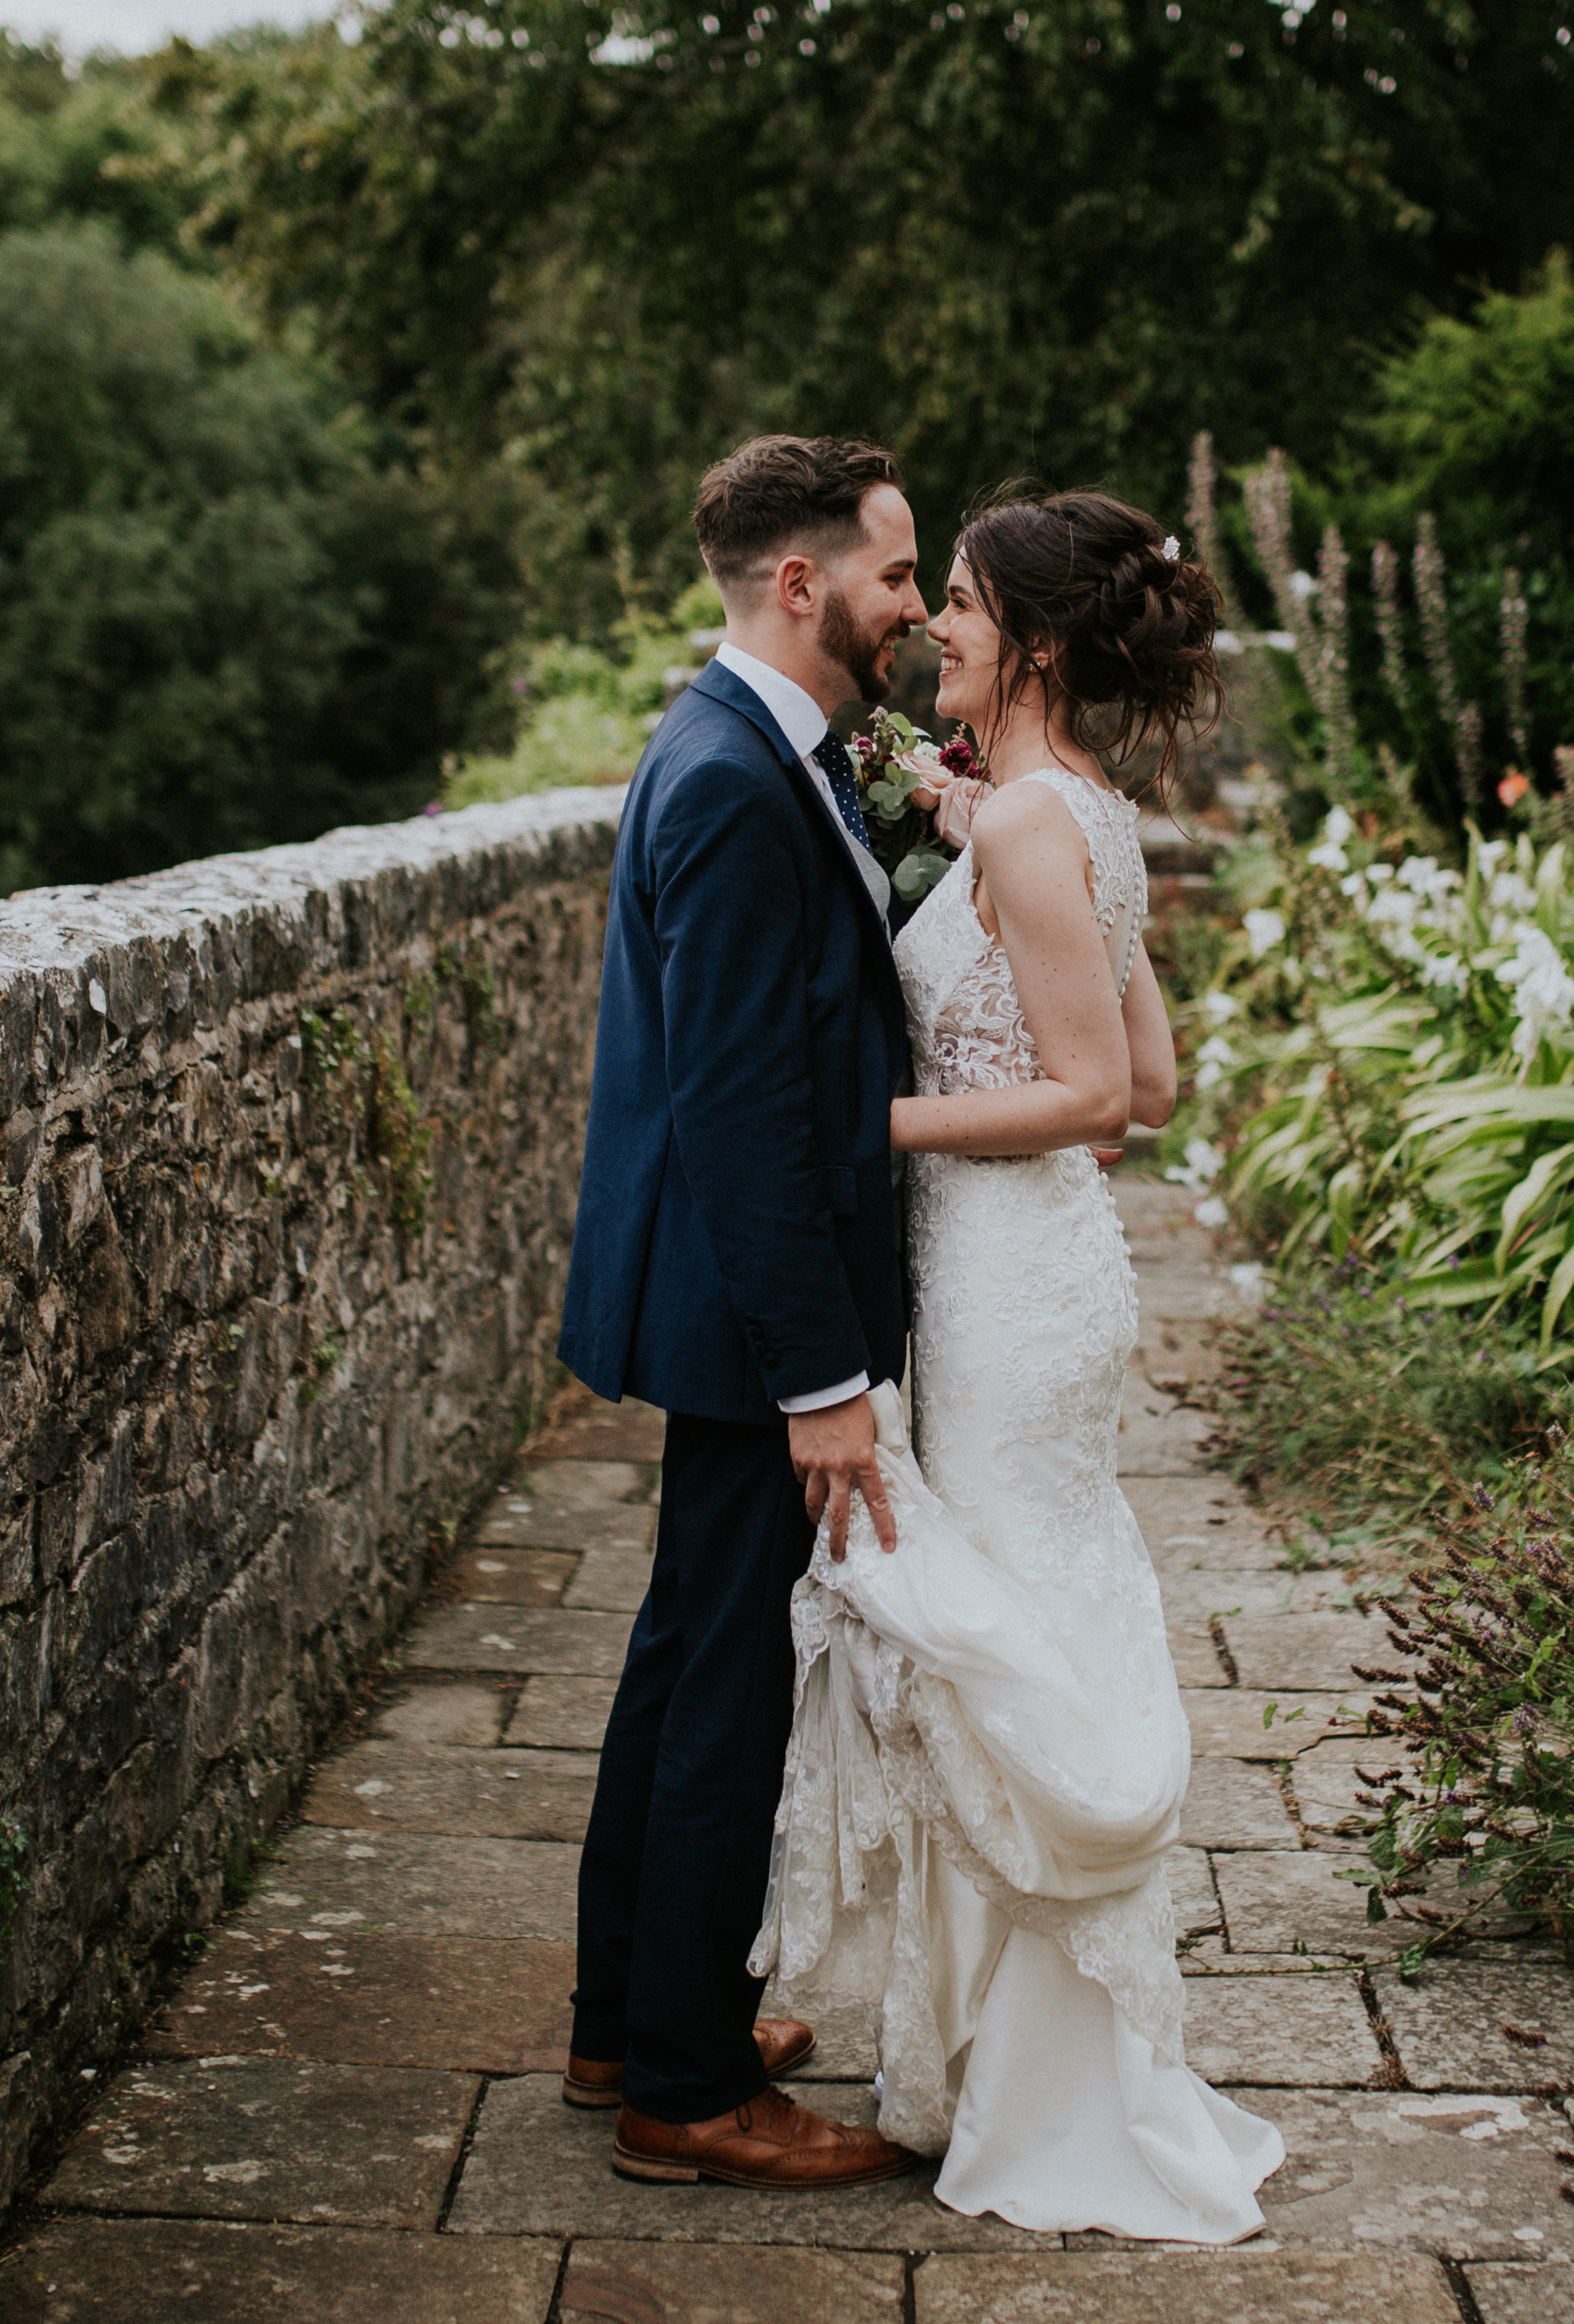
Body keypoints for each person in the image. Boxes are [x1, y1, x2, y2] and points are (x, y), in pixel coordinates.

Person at [750, 487, 1282, 2240]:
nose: (937, 631)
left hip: (1005, 1280)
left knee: (1005, 1633)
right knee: (1028, 1607)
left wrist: (867, 1118)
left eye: (963, 606)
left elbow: (1101, 1098)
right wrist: (971, 824)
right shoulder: (1075, 816)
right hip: (1038, 1273)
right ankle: (988, 2054)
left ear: (1034, 644)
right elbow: (1157, 1075)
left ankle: (1042, 2090)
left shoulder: (1038, 830)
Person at [553, 433, 928, 2192]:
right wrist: (824, 1377)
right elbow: (740, 1110)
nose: (916, 611)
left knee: (676, 1648)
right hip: (738, 1306)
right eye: (898, 576)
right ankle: (688, 2089)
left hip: (715, 1304)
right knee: (724, 1682)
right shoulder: (722, 777)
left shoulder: (765, 748)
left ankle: (628, 2012)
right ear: (803, 584)